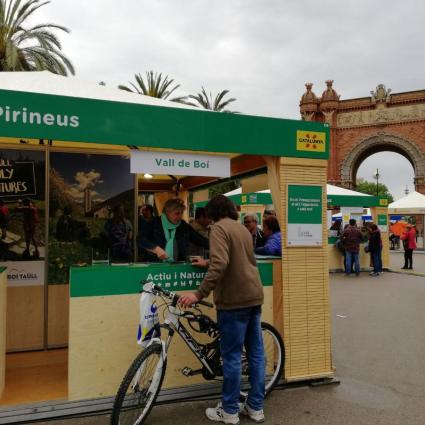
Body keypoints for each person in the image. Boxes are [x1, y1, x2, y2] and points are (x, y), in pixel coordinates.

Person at [179, 195, 265, 424]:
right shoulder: (242, 229)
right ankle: (256, 408)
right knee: (256, 355)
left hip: (233, 300)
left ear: (212, 212)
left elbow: (221, 263)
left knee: (232, 357)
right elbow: (239, 260)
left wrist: (199, 294)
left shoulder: (217, 229)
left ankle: (229, 411)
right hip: (254, 296)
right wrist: (207, 263)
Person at [139, 197, 208, 262]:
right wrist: (155, 248)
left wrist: (215, 245)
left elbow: (200, 240)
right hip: (156, 266)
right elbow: (140, 239)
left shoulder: (183, 225)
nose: (180, 216)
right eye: (177, 213)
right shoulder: (154, 223)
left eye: (181, 213)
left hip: (179, 266)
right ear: (167, 212)